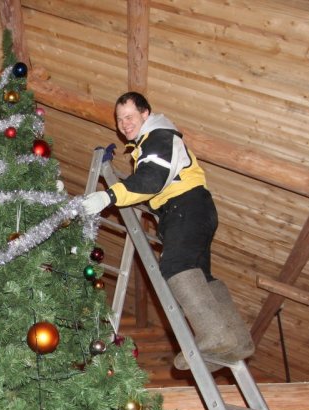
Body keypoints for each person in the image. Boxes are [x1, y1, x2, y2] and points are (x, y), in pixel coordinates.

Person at [82, 91, 254, 371]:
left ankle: (214, 336)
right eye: (120, 119)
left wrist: (108, 196)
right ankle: (237, 342)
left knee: (175, 267)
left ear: (146, 114)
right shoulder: (154, 141)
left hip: (184, 207)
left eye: (130, 116)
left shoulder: (158, 137)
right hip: (196, 208)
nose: (124, 124)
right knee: (202, 277)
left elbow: (151, 180)